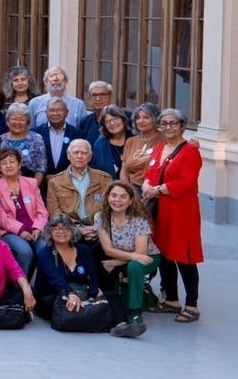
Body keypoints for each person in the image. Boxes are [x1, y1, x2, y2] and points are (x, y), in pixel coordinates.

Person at [141, 108, 203, 323]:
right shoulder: (160, 148)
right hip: (161, 211)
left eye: (173, 123)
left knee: (184, 256)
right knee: (164, 253)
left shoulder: (190, 152)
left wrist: (157, 189)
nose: (168, 127)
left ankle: (192, 305)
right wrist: (147, 185)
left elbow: (186, 183)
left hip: (181, 211)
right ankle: (172, 300)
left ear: (182, 126)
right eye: (164, 123)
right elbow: (150, 172)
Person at [96, 182, 160, 337]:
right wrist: (126, 258)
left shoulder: (139, 219)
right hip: (128, 256)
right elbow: (108, 250)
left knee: (134, 267)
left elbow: (142, 253)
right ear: (107, 197)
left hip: (148, 257)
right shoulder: (101, 217)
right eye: (114, 195)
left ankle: (134, 313)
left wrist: (117, 262)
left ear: (131, 200)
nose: (117, 200)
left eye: (123, 196)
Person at [33, 214, 107, 323]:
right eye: (56, 228)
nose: (61, 232)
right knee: (64, 303)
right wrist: (70, 293)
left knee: (112, 296)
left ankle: (121, 325)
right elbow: (54, 278)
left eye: (65, 228)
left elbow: (92, 275)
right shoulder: (45, 253)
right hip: (53, 295)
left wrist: (92, 295)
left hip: (81, 293)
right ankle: (88, 317)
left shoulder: (83, 250)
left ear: (72, 231)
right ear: (50, 232)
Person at [0, 147, 47, 275]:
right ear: (0, 168)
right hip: (10, 231)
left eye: (12, 161)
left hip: (35, 228)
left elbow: (42, 210)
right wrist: (21, 231)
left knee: (44, 250)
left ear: (19, 164)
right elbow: (1, 218)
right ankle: (19, 287)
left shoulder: (31, 183)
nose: (8, 165)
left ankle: (41, 289)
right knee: (25, 252)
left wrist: (38, 228)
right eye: (4, 163)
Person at [45, 139, 112, 246]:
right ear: (68, 155)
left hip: (100, 228)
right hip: (69, 230)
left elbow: (111, 209)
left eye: (84, 153)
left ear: (90, 157)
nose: (79, 156)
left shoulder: (104, 179)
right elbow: (55, 213)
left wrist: (98, 228)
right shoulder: (55, 182)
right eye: (76, 152)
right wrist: (77, 229)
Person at [33, 98, 88, 177]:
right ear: (46, 112)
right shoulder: (36, 133)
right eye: (52, 110)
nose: (55, 113)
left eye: (59, 110)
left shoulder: (77, 134)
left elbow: (81, 159)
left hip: (68, 182)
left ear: (67, 113)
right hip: (42, 183)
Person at [0, 103, 48, 183]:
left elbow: (41, 168)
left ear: (28, 123)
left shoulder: (36, 139)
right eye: (14, 119)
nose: (18, 122)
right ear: (7, 122)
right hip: (5, 185)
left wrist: (31, 188)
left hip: (32, 184)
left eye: (22, 119)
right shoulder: (0, 140)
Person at [120, 103, 163, 186]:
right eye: (138, 118)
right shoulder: (130, 141)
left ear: (155, 119)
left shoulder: (165, 140)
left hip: (155, 190)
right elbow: (124, 172)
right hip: (132, 190)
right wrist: (128, 191)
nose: (141, 121)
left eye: (146, 117)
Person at [91, 104, 132, 179]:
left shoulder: (134, 139)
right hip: (106, 187)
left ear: (123, 119)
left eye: (115, 119)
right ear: (104, 125)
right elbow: (94, 170)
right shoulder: (100, 144)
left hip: (133, 188)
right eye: (108, 121)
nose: (112, 123)